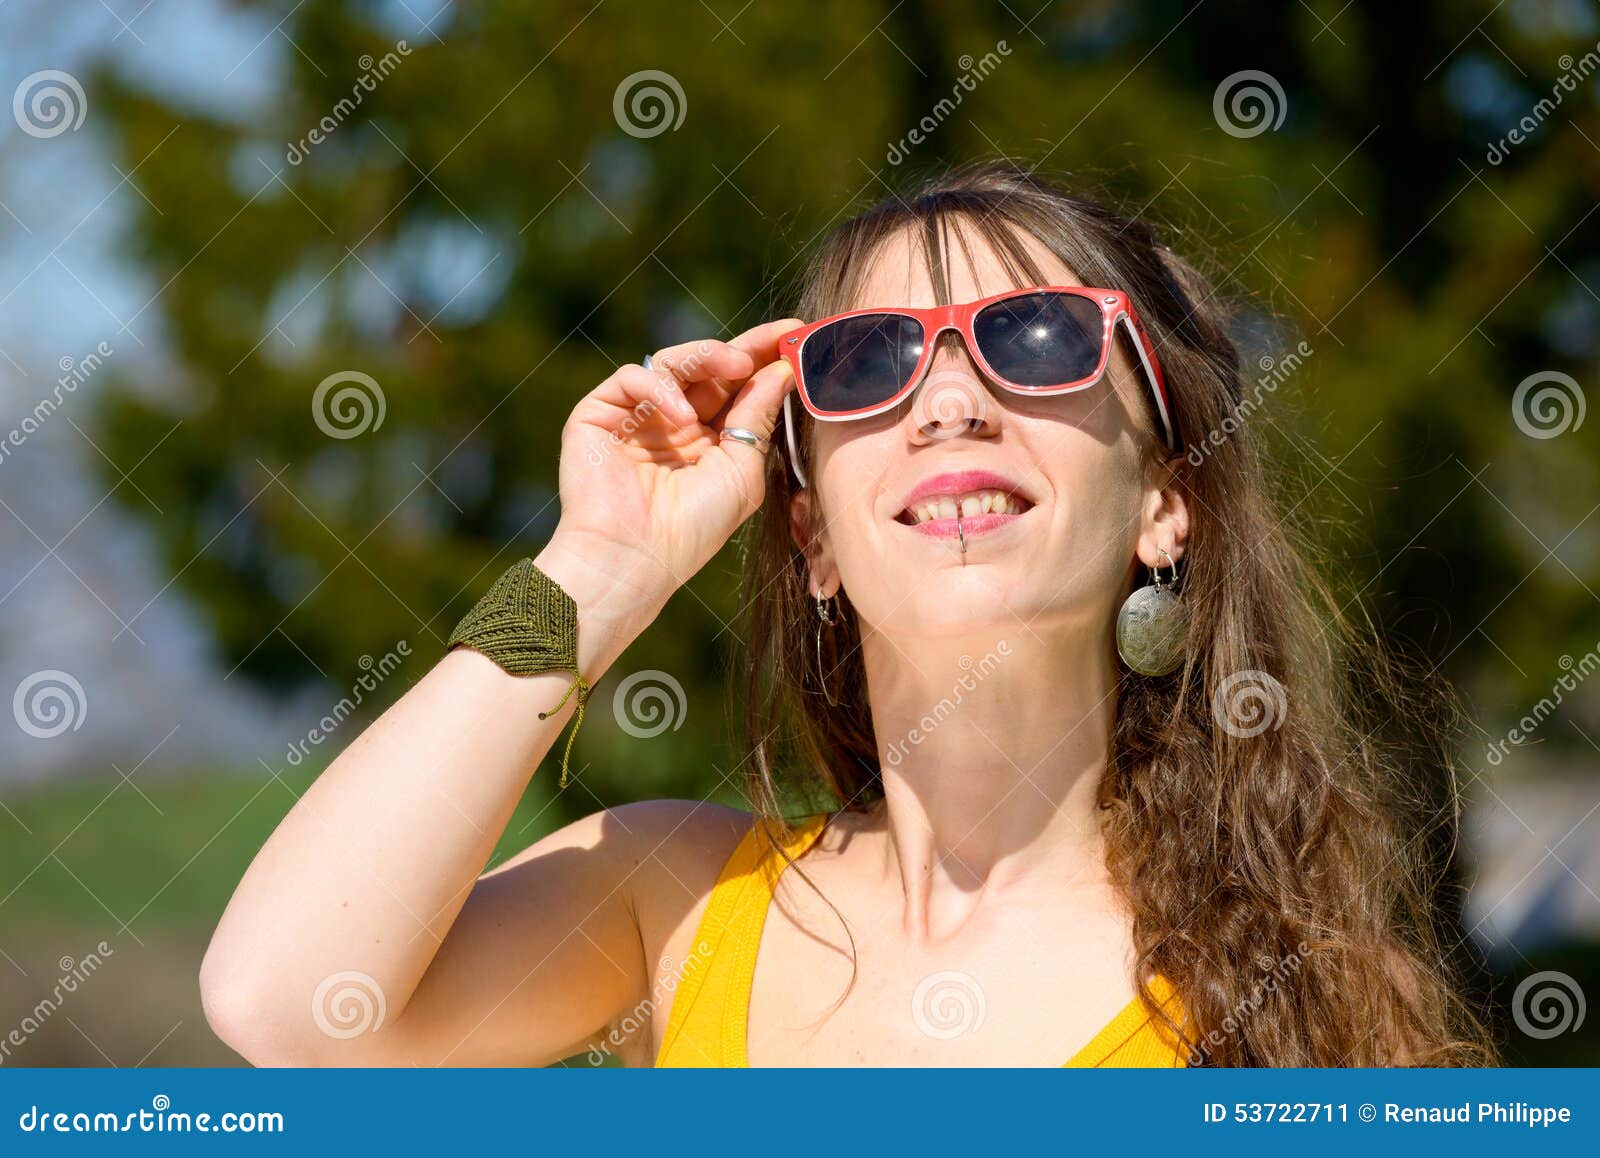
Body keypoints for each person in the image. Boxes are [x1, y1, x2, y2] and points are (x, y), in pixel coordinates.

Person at [201, 160, 1494, 1067]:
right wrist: (597, 569)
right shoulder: (676, 901)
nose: (949, 404)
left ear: (1168, 501)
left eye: (1037, 337)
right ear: (813, 535)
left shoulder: (1301, 1003)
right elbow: (284, 1003)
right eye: (870, 361)